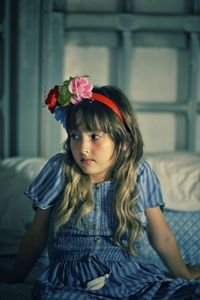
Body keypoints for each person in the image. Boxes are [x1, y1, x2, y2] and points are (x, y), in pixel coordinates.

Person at [0, 75, 200, 299]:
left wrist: (183, 274)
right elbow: (36, 234)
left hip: (128, 277)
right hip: (69, 279)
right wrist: (15, 277)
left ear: (122, 142)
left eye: (95, 136)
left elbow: (162, 237)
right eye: (75, 136)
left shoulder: (139, 173)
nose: (83, 148)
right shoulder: (60, 169)